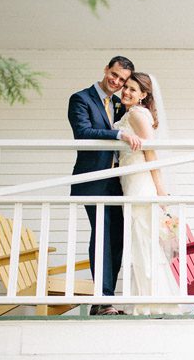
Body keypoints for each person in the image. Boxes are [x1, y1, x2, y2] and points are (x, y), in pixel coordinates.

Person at [68, 55, 142, 316]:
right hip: (93, 179)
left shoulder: (121, 105)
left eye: (122, 80)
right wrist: (118, 134)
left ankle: (105, 298)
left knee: (117, 238)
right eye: (114, 75)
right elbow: (84, 132)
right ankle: (102, 299)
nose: (117, 82)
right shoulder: (81, 99)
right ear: (106, 69)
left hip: (117, 182)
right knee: (102, 233)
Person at [113, 72, 182, 315]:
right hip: (130, 181)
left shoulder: (135, 113)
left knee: (143, 241)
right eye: (126, 88)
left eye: (133, 89)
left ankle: (151, 302)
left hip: (140, 183)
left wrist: (160, 190)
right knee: (140, 241)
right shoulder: (131, 114)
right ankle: (148, 299)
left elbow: (150, 153)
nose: (127, 92)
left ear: (144, 95)